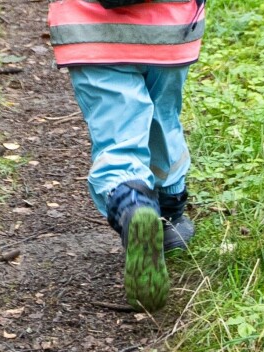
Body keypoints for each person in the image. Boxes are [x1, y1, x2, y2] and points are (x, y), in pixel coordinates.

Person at [47, 0, 205, 312]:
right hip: (169, 29)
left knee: (118, 136)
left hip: (90, 30)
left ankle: (135, 207)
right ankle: (169, 215)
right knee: (163, 118)